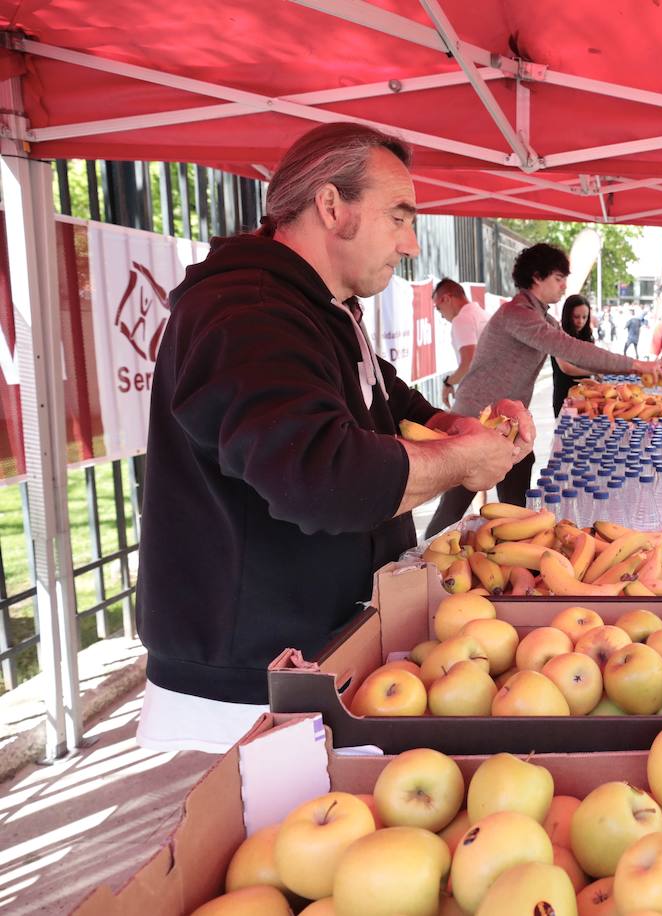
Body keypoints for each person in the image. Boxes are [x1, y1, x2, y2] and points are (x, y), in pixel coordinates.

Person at [134, 123, 532, 752]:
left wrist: (457, 424)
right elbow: (323, 477)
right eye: (399, 217)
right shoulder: (247, 313)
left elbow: (386, 400)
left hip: (317, 650)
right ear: (330, 205)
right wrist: (460, 461)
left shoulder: (324, 306)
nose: (410, 243)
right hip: (254, 679)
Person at [425, 244, 662, 537]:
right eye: (559, 278)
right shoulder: (517, 315)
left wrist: (619, 370)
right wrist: (636, 365)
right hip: (476, 419)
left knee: (517, 503)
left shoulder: (539, 317)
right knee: (456, 504)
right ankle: (419, 564)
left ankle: (516, 555)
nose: (564, 285)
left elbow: (575, 353)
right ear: (537, 278)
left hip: (508, 423)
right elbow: (571, 349)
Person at [436, 278, 488, 406]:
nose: (441, 315)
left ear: (447, 299)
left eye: (438, 308)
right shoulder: (480, 313)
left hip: (480, 396)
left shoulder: (462, 319)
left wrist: (448, 382)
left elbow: (469, 363)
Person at [550, 294, 595, 414]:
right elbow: (567, 368)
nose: (581, 321)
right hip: (564, 393)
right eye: (576, 317)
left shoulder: (588, 337)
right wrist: (594, 371)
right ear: (568, 315)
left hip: (586, 394)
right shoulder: (557, 336)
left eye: (584, 317)